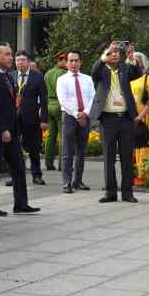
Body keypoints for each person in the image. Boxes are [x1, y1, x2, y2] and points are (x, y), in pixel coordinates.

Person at [0, 42, 39, 215]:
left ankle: (21, 203)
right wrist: (2, 128)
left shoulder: (7, 76)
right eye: (6, 54)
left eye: (10, 54)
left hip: (13, 130)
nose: (11, 58)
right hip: (0, 131)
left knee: (19, 167)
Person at [89, 42, 139, 203]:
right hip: (107, 118)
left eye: (117, 52)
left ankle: (127, 193)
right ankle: (110, 192)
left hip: (125, 118)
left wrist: (132, 57)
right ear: (105, 55)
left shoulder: (124, 68)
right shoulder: (101, 70)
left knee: (127, 157)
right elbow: (94, 70)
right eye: (111, 52)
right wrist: (106, 53)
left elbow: (138, 73)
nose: (115, 54)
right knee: (109, 157)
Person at [55, 51, 94, 194]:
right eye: (71, 61)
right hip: (70, 116)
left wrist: (86, 113)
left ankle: (78, 181)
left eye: (76, 60)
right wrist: (78, 114)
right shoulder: (62, 80)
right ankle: (67, 182)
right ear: (66, 63)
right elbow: (63, 100)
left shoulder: (88, 79)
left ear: (80, 62)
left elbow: (93, 97)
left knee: (81, 151)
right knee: (67, 152)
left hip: (85, 116)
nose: (74, 63)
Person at [14, 51, 48, 184]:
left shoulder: (37, 77)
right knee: (14, 148)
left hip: (32, 118)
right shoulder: (10, 76)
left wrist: (44, 119)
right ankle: (15, 175)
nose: (20, 63)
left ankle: (36, 175)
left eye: (22, 60)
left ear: (28, 62)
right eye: (17, 60)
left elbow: (44, 100)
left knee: (33, 148)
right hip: (14, 118)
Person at [128, 51, 149, 185]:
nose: (135, 62)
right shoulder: (126, 78)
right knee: (130, 148)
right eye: (132, 60)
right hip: (129, 118)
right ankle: (132, 176)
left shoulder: (147, 78)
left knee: (144, 146)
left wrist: (140, 117)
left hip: (143, 118)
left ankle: (145, 176)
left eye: (137, 60)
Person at [43, 51, 65, 173]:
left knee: (50, 135)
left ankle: (48, 163)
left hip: (49, 104)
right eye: (66, 60)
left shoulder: (48, 73)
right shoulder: (62, 73)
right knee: (63, 136)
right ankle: (63, 164)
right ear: (61, 61)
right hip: (59, 104)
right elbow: (60, 91)